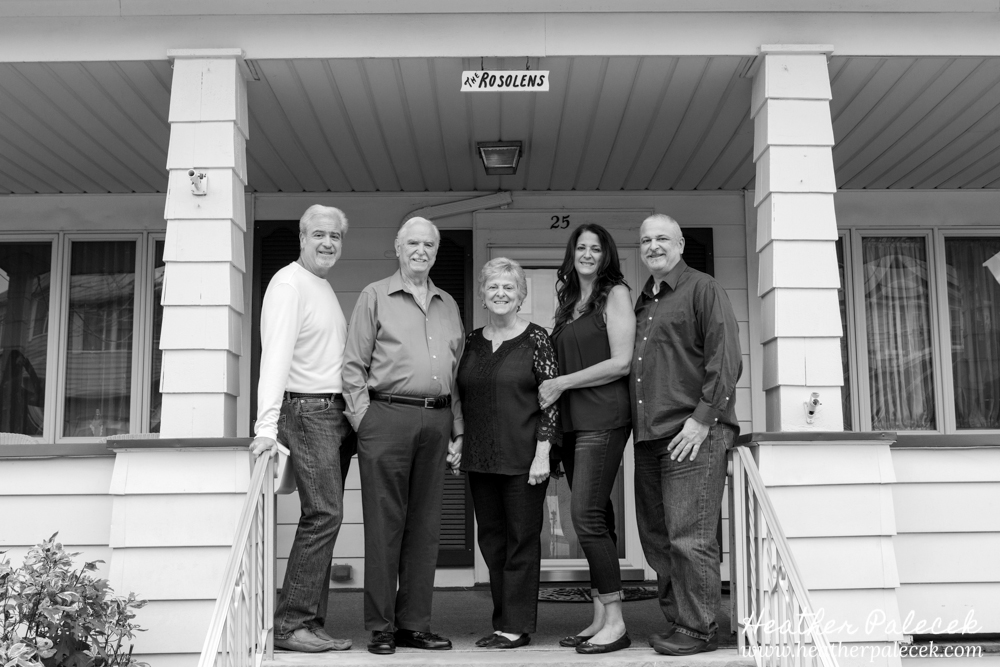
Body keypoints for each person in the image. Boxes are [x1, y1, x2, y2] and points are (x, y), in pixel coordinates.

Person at [342, 216, 465, 656]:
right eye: (413, 242)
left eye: (429, 244)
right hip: (386, 417)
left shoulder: (448, 303)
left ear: (436, 250)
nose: (421, 250)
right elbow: (353, 366)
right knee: (383, 526)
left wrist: (458, 429)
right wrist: (364, 423)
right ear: (398, 247)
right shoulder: (374, 295)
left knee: (425, 527)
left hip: (436, 421)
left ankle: (414, 624)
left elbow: (456, 374)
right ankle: (381, 626)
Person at [631, 214, 742, 656]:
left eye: (662, 238)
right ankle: (680, 620)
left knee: (690, 536)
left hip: (692, 432)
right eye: (646, 240)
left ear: (680, 244)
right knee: (658, 538)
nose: (653, 246)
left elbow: (726, 357)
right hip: (650, 435)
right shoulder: (646, 301)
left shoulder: (702, 288)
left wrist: (702, 418)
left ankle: (700, 628)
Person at [249, 205, 354, 653]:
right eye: (319, 235)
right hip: (308, 411)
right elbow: (274, 356)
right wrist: (266, 428)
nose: (328, 243)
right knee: (324, 515)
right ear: (302, 237)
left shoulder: (320, 286)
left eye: (335, 236)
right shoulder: (289, 283)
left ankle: (309, 620)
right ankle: (291, 625)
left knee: (326, 517)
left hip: (332, 414)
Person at [538, 224, 635, 655]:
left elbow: (620, 362)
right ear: (571, 253)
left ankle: (615, 620)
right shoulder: (569, 305)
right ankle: (599, 614)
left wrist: (561, 383)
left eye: (596, 248)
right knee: (601, 517)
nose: (588, 253)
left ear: (606, 255)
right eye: (581, 247)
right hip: (576, 424)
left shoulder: (616, 294)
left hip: (605, 417)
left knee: (586, 518)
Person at [457, 258, 560, 650]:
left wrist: (543, 452)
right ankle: (503, 621)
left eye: (509, 288)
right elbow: (463, 397)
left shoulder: (537, 339)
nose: (501, 293)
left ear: (521, 295)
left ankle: (516, 626)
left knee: (521, 541)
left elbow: (550, 400)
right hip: (480, 458)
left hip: (524, 457)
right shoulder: (471, 341)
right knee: (493, 543)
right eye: (493, 287)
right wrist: (459, 439)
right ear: (482, 294)